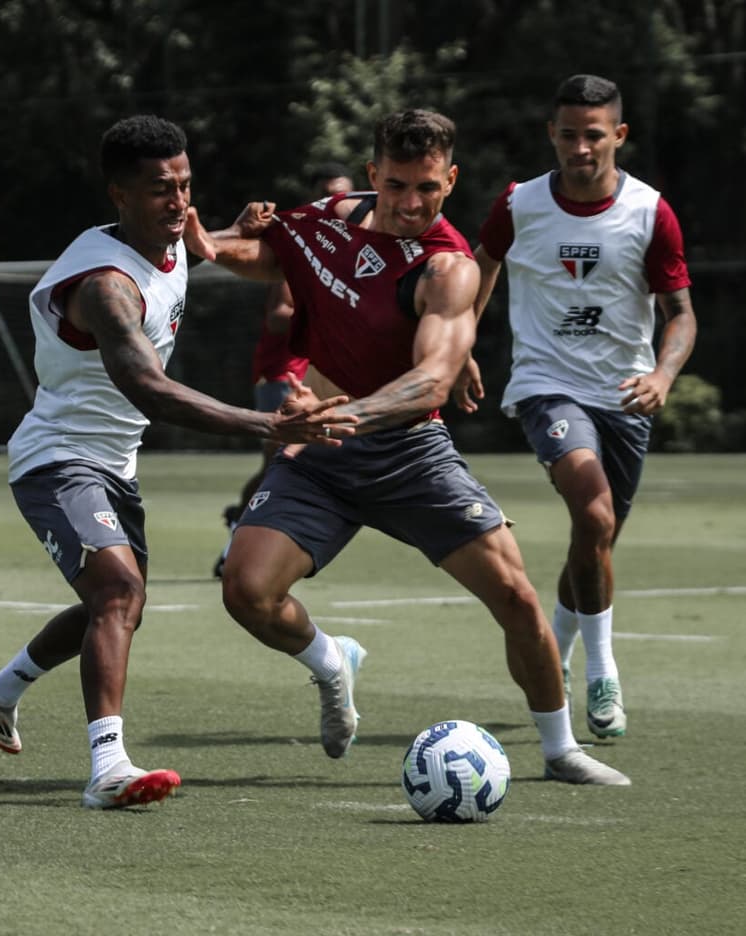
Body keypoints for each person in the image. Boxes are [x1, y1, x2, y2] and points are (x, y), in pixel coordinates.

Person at [184, 108, 631, 785]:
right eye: (397, 186)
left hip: (407, 455)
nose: (412, 203)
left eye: (428, 187)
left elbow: (431, 380)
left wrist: (347, 417)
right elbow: (271, 255)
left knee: (515, 598)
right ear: (373, 176)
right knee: (245, 591)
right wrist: (210, 244)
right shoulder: (333, 215)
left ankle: (560, 747)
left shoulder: (447, 267)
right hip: (324, 458)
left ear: (450, 180)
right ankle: (333, 661)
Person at [0, 115, 357, 810]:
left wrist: (227, 230)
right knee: (118, 593)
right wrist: (268, 420)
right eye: (158, 190)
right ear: (118, 194)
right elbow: (150, 389)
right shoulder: (103, 286)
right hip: (58, 459)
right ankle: (107, 767)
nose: (177, 202)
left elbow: (185, 255)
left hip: (116, 462)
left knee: (114, 605)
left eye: (184, 186)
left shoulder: (169, 240)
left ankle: (1, 689)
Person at [457, 75, 697, 738]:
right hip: (546, 387)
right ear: (552, 135)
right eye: (569, 134)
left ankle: (554, 655)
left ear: (618, 135)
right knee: (592, 514)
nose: (580, 147)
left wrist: (664, 375)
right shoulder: (522, 203)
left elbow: (680, 315)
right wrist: (462, 342)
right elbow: (479, 267)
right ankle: (603, 671)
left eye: (594, 135)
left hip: (625, 396)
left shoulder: (652, 212)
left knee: (597, 539)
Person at [213, 163, 355, 577]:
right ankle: (237, 545)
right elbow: (279, 315)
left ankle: (242, 523)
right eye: (328, 196)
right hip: (283, 373)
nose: (335, 204)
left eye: (343, 196)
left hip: (313, 376)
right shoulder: (304, 243)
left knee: (284, 463)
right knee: (283, 462)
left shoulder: (347, 246)